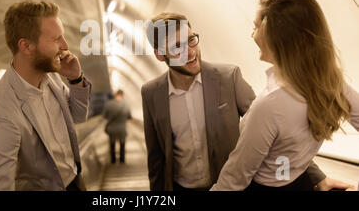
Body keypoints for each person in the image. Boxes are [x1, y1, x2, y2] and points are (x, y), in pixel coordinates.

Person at [141, 12, 344, 191]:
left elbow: (279, 132)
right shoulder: (151, 93)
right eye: (177, 47)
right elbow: (156, 161)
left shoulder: (228, 78)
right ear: (160, 54)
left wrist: (318, 178)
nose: (190, 52)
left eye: (191, 40)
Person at [210, 0, 359, 191]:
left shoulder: (268, 105)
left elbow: (234, 179)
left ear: (274, 34)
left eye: (255, 27)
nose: (251, 35)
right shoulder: (332, 84)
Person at [0, 1, 91, 191]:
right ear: (26, 46)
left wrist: (75, 79)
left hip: (75, 181)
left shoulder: (52, 78)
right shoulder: (3, 111)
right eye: (56, 39)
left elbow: (78, 116)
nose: (65, 45)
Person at [103, 89, 132, 163]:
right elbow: (129, 117)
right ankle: (122, 160)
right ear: (123, 95)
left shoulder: (109, 104)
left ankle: (113, 160)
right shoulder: (126, 105)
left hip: (112, 129)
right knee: (122, 144)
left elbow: (104, 116)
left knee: (112, 144)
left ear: (115, 95)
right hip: (122, 128)